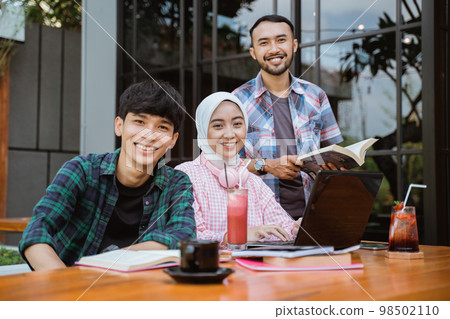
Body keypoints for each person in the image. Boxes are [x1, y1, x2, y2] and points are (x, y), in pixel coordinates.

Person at [19, 80, 196, 270]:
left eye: (162, 127)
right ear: (119, 126)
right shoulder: (81, 171)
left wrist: (110, 262)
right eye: (139, 121)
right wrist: (66, 288)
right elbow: (37, 232)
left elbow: (184, 234)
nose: (149, 135)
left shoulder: (177, 182)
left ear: (172, 140)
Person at [233, 15, 343, 219]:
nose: (274, 49)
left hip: (312, 219)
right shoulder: (236, 101)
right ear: (253, 53)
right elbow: (224, 165)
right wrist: (266, 166)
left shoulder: (316, 96)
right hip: (261, 223)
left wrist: (334, 164)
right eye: (264, 43)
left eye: (281, 40)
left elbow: (336, 156)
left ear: (294, 45)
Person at [176, 92, 298, 248]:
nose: (229, 134)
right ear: (202, 130)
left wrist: (296, 228)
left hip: (254, 269)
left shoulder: (252, 180)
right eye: (218, 126)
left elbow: (282, 225)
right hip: (211, 267)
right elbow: (190, 235)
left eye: (237, 124)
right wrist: (240, 235)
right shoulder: (185, 176)